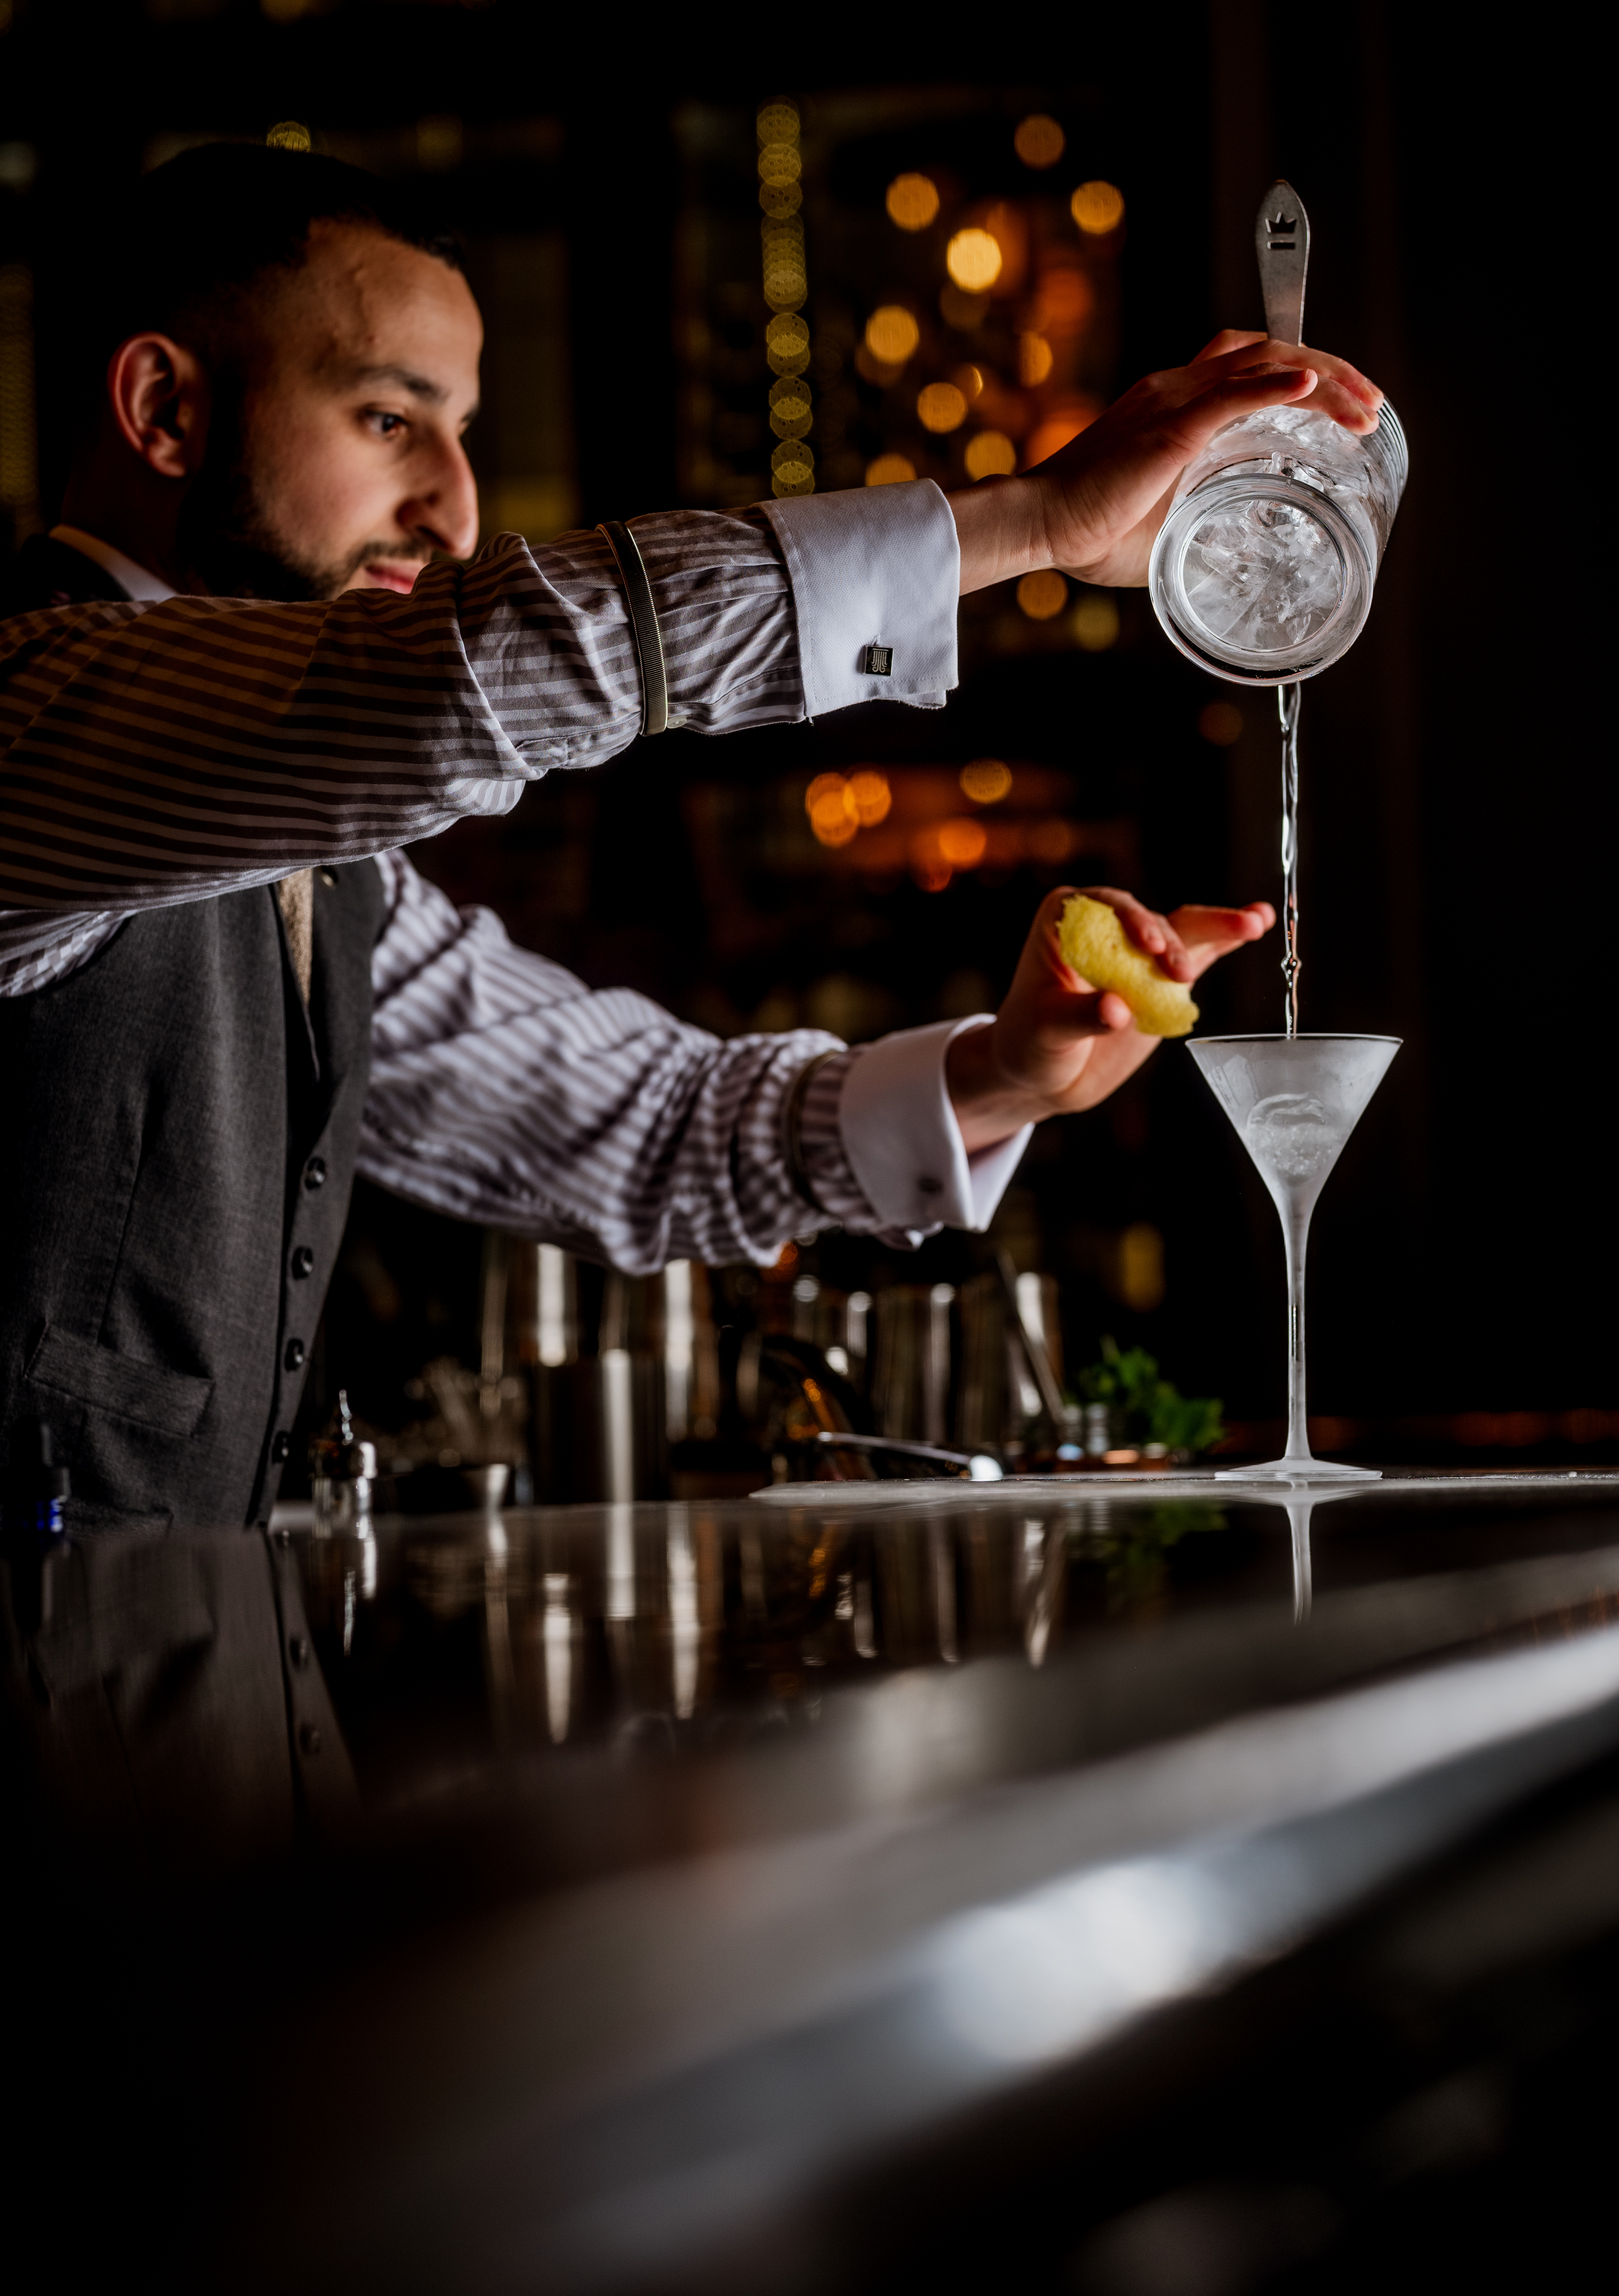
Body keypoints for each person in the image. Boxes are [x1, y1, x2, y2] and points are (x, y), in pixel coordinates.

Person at [0, 145, 1382, 1530]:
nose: (457, 507)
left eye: (464, 433)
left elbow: (645, 1127)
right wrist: (1021, 520)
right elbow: (455, 677)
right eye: (387, 420)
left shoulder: (319, 874)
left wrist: (995, 1077)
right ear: (163, 408)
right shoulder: (30, 721)